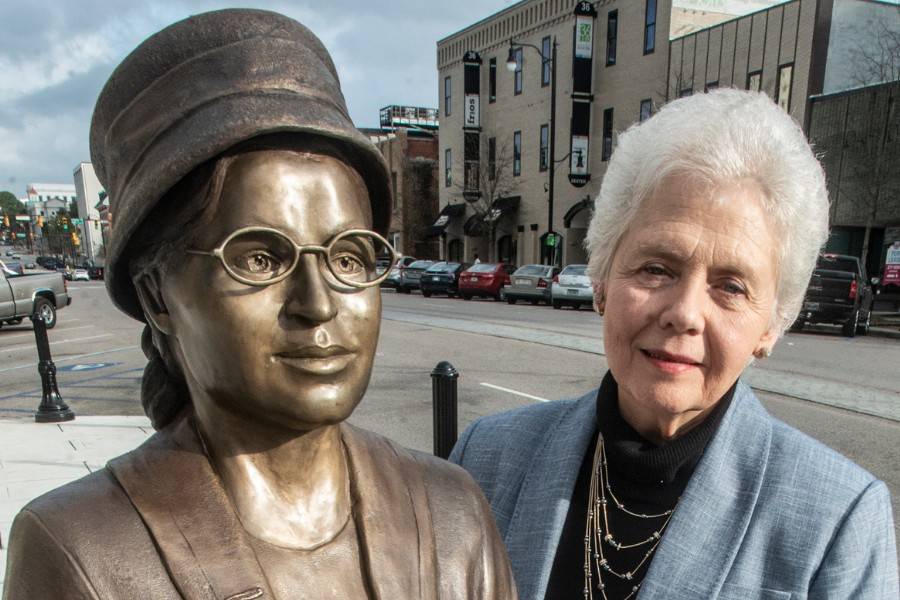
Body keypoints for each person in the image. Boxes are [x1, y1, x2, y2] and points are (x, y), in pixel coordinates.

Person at [3, 10, 514, 599]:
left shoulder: (453, 516)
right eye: (260, 259)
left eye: (348, 258)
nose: (319, 304)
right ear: (156, 294)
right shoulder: (84, 553)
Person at [451, 89, 898, 600]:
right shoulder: (487, 458)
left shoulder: (837, 522)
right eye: (656, 267)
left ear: (771, 325)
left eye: (731, 286)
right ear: (601, 281)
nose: (684, 313)